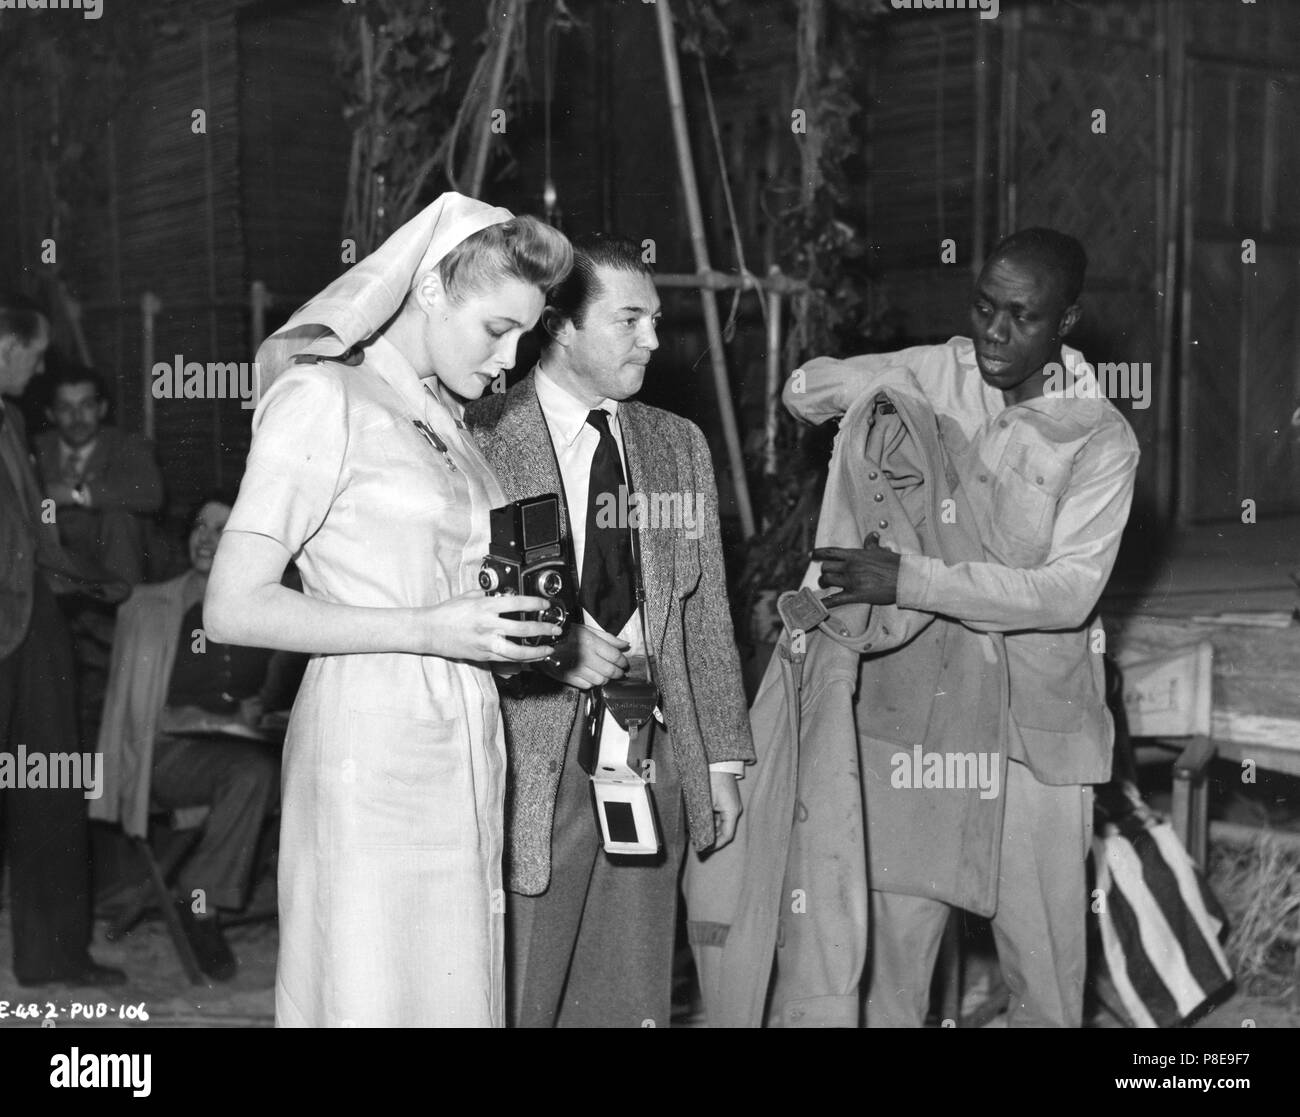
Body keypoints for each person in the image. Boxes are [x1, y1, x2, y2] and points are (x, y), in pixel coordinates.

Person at [203, 193, 573, 1027]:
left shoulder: (444, 420)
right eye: (496, 329)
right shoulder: (324, 397)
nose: (510, 360)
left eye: (526, 336)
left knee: (452, 989)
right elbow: (231, 605)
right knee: (370, 989)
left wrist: (505, 634)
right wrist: (425, 627)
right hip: (367, 745)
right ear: (433, 291)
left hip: (462, 737)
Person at [784, 228, 1140, 1026]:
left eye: (1021, 316)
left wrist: (910, 579)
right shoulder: (945, 369)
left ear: (1066, 322)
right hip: (926, 729)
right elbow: (803, 390)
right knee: (887, 975)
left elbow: (1064, 594)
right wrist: (868, 387)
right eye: (984, 306)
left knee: (1044, 983)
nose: (995, 332)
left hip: (1033, 739)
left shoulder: (1099, 437)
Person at [466, 234, 754, 1028]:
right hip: (530, 756)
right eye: (630, 320)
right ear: (559, 325)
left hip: (650, 749)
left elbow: (703, 616)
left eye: (657, 320)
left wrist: (720, 758)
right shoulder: (479, 433)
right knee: (521, 983)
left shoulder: (676, 445)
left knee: (628, 992)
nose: (655, 341)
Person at [93, 494, 290, 981]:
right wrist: (208, 721)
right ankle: (201, 904)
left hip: (235, 753)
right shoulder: (148, 606)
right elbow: (135, 715)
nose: (206, 537)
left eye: (223, 529)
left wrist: (262, 708)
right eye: (200, 526)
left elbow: (274, 694)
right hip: (162, 758)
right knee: (253, 773)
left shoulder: (264, 607)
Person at [0, 292, 126, 987]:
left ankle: (54, 954)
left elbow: (28, 535)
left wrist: (87, 581)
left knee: (50, 786)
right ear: (4, 347)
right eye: (35, 352)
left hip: (35, 623)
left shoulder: (13, 418)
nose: (43, 365)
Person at [35, 361, 164, 586]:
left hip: (114, 555)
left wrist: (75, 493)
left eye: (86, 405)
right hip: (54, 556)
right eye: (65, 408)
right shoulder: (36, 448)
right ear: (51, 414)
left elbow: (151, 493)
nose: (77, 417)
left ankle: (124, 613)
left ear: (102, 408)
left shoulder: (128, 444)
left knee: (120, 519)